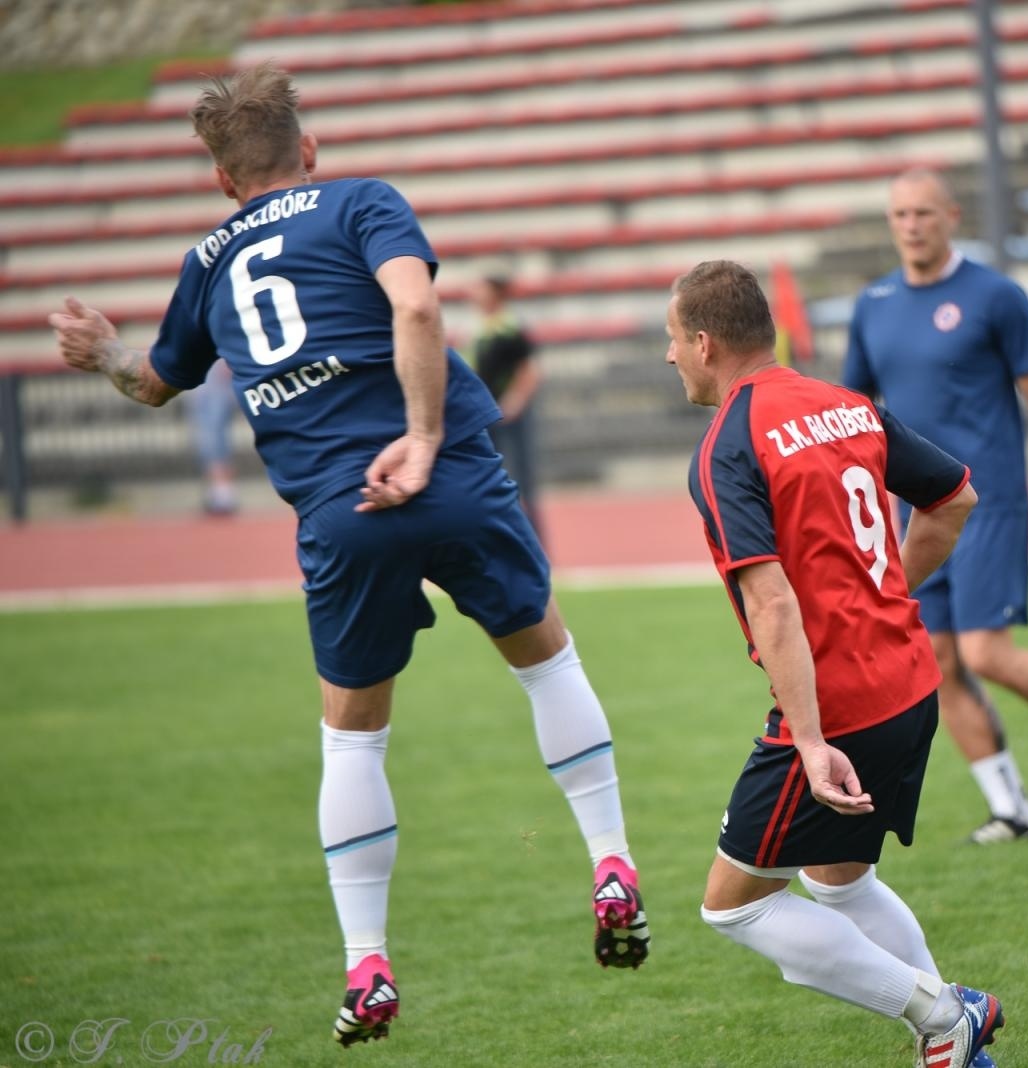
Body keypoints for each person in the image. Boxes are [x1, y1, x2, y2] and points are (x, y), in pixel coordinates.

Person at [47, 63, 649, 1047]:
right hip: (445, 468)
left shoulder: (207, 260)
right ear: (309, 149)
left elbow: (155, 382)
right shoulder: (361, 200)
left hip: (338, 510)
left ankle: (365, 960)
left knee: (353, 737)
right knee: (547, 659)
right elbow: (415, 309)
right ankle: (610, 859)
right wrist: (417, 438)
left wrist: (103, 348)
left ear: (221, 180)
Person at [667, 260, 1002, 1067]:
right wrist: (886, 587)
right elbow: (954, 498)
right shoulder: (844, 405)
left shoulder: (725, 447)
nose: (669, 356)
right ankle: (962, 1048)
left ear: (704, 343)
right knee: (839, 882)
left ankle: (943, 1015)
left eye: (672, 340)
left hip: (840, 706)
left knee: (733, 907)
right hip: (911, 680)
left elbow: (773, 602)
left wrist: (810, 740)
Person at [841, 168, 1028, 843]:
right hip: (911, 512)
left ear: (952, 215)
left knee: (986, 652)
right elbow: (856, 416)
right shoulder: (873, 305)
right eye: (900, 215)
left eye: (924, 212)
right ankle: (1012, 808)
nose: (912, 225)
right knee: (937, 661)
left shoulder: (995, 296)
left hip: (987, 504)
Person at [469, 273, 545, 537]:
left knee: (520, 478)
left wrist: (514, 402)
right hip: (486, 415)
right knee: (491, 477)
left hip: (507, 416)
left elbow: (529, 369)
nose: (474, 294)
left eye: (481, 288)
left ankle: (533, 541)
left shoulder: (510, 326)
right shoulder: (481, 327)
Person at [187, 359, 240, 515]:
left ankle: (222, 491)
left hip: (215, 362)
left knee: (213, 432)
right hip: (203, 364)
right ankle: (219, 490)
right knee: (208, 433)